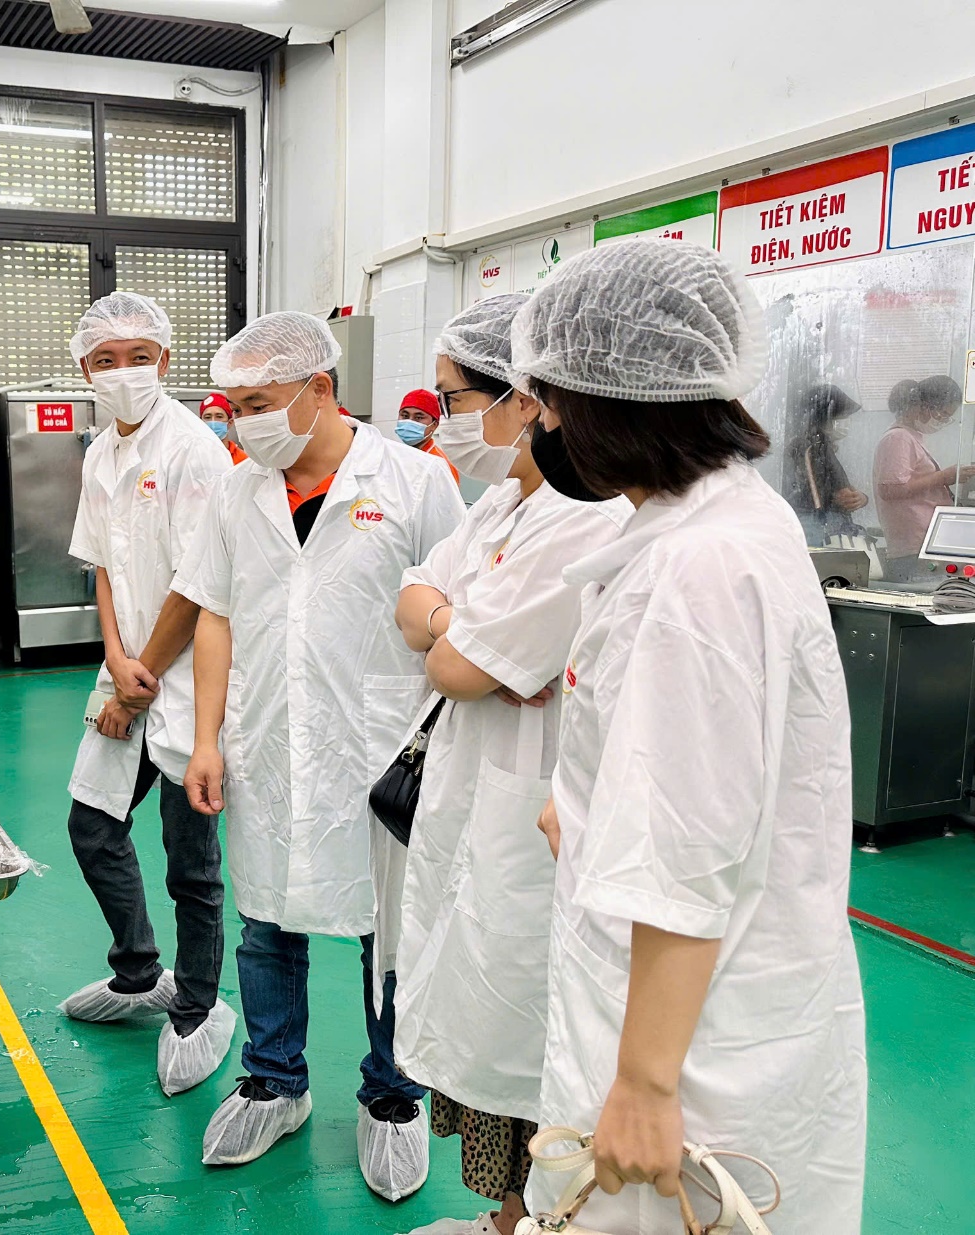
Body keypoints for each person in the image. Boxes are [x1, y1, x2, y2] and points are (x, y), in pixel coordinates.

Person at [507, 239, 866, 1234]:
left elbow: (687, 849)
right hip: (723, 991)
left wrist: (644, 1084)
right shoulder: (718, 524)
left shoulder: (695, 570)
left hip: (690, 1045)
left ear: (607, 402)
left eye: (547, 405)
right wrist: (579, 809)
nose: (539, 429)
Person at [173, 311, 465, 1198]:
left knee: (388, 925)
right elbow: (216, 614)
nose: (238, 422)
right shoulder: (236, 490)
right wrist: (206, 737)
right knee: (267, 918)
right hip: (268, 736)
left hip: (381, 742)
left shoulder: (415, 481)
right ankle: (274, 1079)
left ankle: (392, 1093)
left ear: (320, 390)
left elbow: (454, 607)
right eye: (231, 405)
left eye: (256, 403)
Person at [389, 294, 632, 1235]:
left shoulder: (584, 517)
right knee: (479, 1023)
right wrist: (463, 630)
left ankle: (526, 1220)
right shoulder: (502, 498)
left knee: (532, 1041)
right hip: (473, 796)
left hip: (534, 821)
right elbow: (416, 607)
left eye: (454, 399)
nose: (443, 421)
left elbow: (452, 656)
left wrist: (457, 635)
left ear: (524, 400)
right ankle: (501, 1216)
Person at [57, 292, 238, 1098]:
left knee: (189, 861)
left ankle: (199, 1006)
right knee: (91, 825)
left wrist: (140, 681)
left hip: (186, 671)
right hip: (127, 664)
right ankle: (139, 972)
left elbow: (200, 586)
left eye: (137, 356)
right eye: (105, 360)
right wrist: (113, 658)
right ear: (84, 371)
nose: (123, 372)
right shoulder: (100, 451)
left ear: (164, 361)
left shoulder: (195, 450)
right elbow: (101, 562)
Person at [874, 373, 965, 580]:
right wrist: (943, 477)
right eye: (941, 414)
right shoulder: (898, 438)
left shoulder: (913, 437)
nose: (941, 421)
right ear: (924, 406)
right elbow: (890, 489)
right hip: (912, 544)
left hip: (924, 539)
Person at [784, 383, 867, 546]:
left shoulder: (816, 445)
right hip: (817, 526)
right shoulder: (814, 446)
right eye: (842, 416)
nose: (847, 422)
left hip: (815, 524)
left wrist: (862, 498)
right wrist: (855, 498)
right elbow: (840, 494)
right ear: (825, 417)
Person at [396, 388, 460, 481]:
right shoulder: (397, 456)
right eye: (405, 416)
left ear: (434, 425)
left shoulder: (440, 466)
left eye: (418, 417)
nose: (409, 422)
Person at [199, 392, 249, 465]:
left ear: (230, 422)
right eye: (207, 417)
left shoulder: (242, 460)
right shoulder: (193, 456)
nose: (213, 422)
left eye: (219, 416)